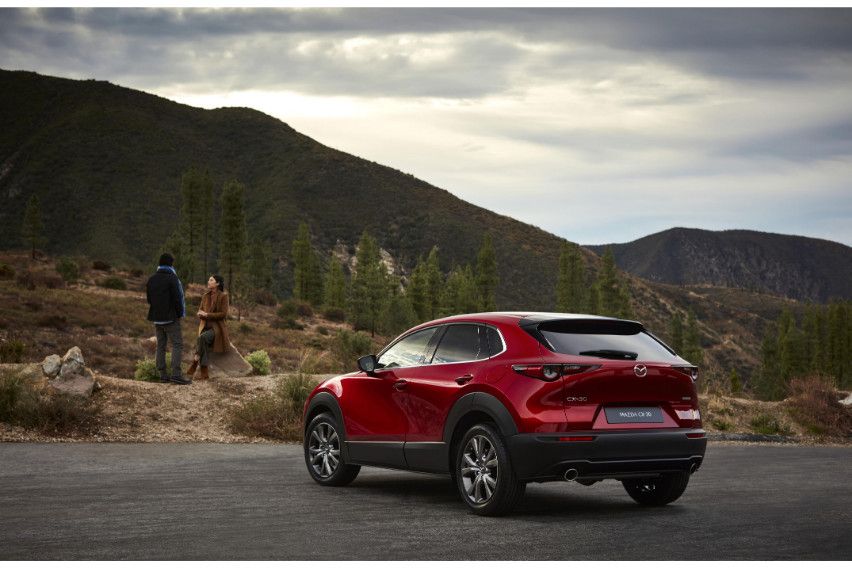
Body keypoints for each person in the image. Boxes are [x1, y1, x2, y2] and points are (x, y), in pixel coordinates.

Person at [145, 253, 190, 384]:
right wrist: (180, 314)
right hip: (171, 318)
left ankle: (163, 375)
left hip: (156, 318)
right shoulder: (172, 278)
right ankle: (176, 374)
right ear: (171, 264)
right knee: (177, 344)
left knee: (161, 345)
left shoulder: (151, 279)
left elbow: (149, 299)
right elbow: (178, 299)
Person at [187, 274, 230, 380]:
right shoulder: (205, 296)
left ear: (217, 283)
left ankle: (197, 362)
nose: (208, 281)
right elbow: (200, 309)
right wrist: (200, 314)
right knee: (202, 340)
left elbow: (223, 314)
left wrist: (207, 315)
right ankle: (202, 369)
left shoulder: (223, 296)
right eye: (209, 280)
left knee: (202, 338)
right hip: (204, 326)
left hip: (217, 328)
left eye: (211, 280)